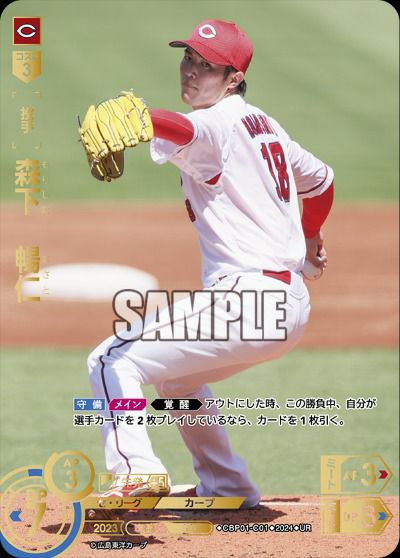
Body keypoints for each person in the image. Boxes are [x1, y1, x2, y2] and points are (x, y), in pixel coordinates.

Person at [85, 19, 334, 509]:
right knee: (177, 380)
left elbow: (186, 128)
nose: (191, 71)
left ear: (234, 78)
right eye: (188, 58)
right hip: (287, 307)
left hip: (249, 302)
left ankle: (136, 472)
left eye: (207, 65)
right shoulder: (265, 124)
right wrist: (309, 235)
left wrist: (147, 119)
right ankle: (227, 485)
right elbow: (321, 181)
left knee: (111, 359)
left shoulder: (218, 123)